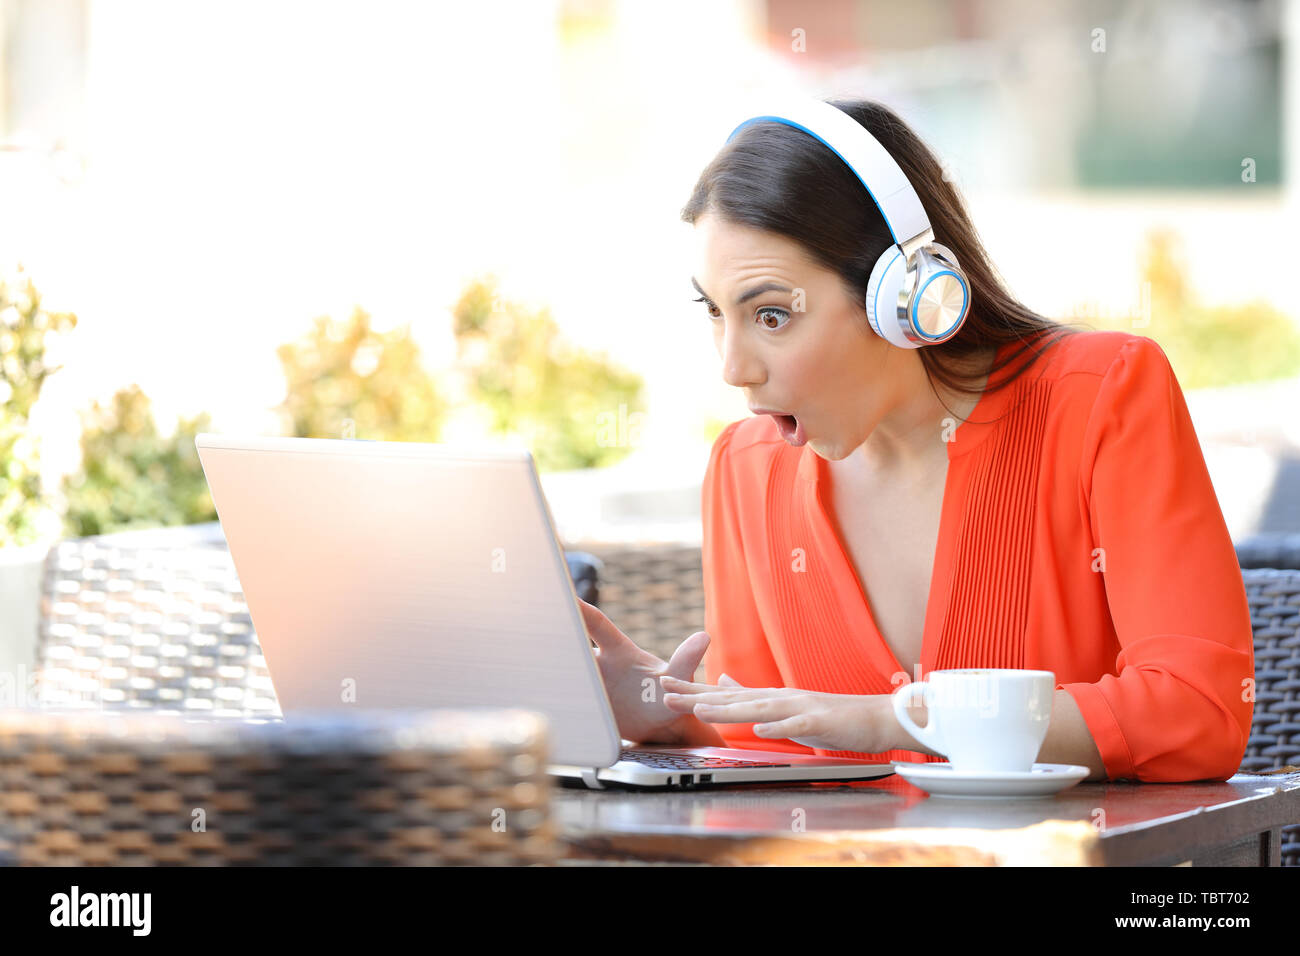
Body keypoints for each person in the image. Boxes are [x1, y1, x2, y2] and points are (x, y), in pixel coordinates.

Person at [579, 97, 1254, 784]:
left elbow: (1199, 712)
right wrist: (671, 721)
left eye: (773, 315)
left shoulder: (1102, 396)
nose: (733, 367)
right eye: (715, 312)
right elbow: (769, 752)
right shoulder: (746, 468)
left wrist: (899, 720)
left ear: (902, 295)